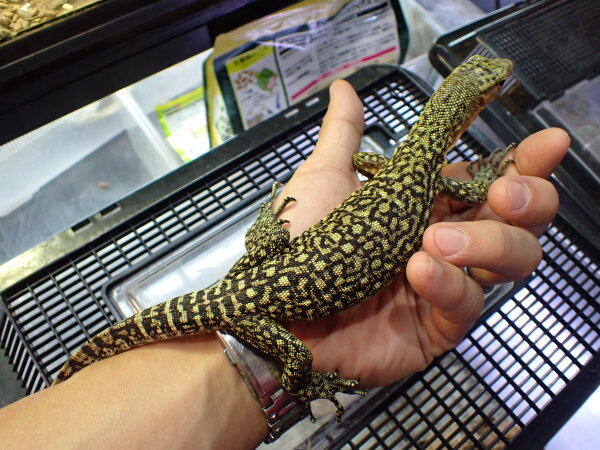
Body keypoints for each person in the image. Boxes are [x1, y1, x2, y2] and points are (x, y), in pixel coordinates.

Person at [0, 80, 568, 448]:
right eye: (489, 89)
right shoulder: (424, 180)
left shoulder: (402, 168)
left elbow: (369, 161)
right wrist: (300, 382)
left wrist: (272, 233)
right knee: (296, 356)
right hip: (255, 304)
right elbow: (446, 186)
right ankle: (304, 374)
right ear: (469, 110)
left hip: (259, 278)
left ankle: (265, 243)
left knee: (268, 287)